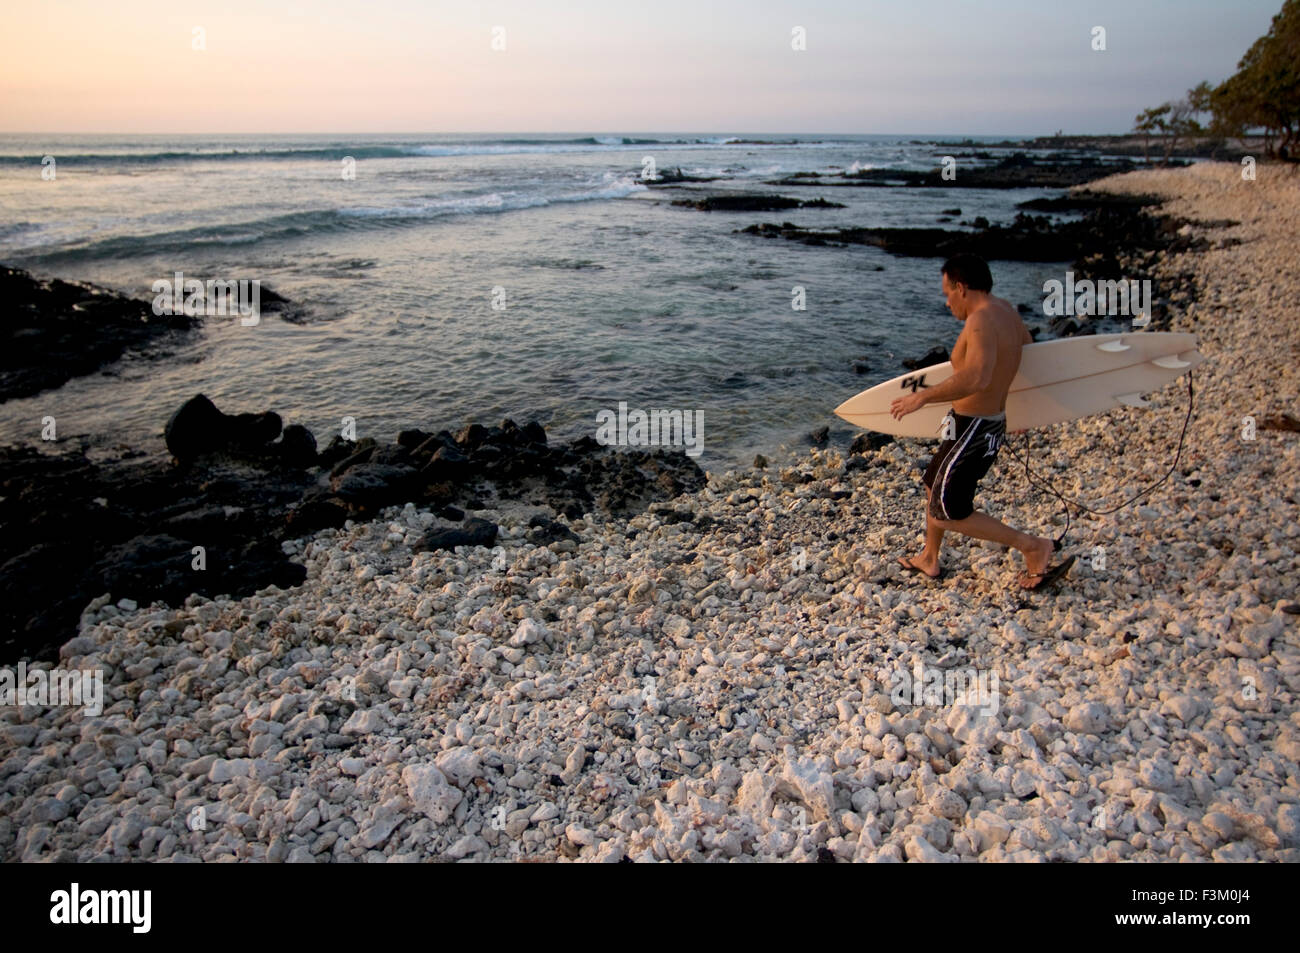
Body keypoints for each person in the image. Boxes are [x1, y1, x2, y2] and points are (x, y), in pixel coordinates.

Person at [889, 253, 1074, 590]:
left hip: (974, 428)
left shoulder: (980, 321)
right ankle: (929, 557)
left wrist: (922, 396)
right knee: (934, 483)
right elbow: (1026, 358)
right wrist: (1020, 410)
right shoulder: (1006, 312)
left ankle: (1034, 547)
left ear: (961, 287)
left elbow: (977, 377)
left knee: (947, 509)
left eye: (947, 293)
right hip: (977, 423)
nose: (946, 303)